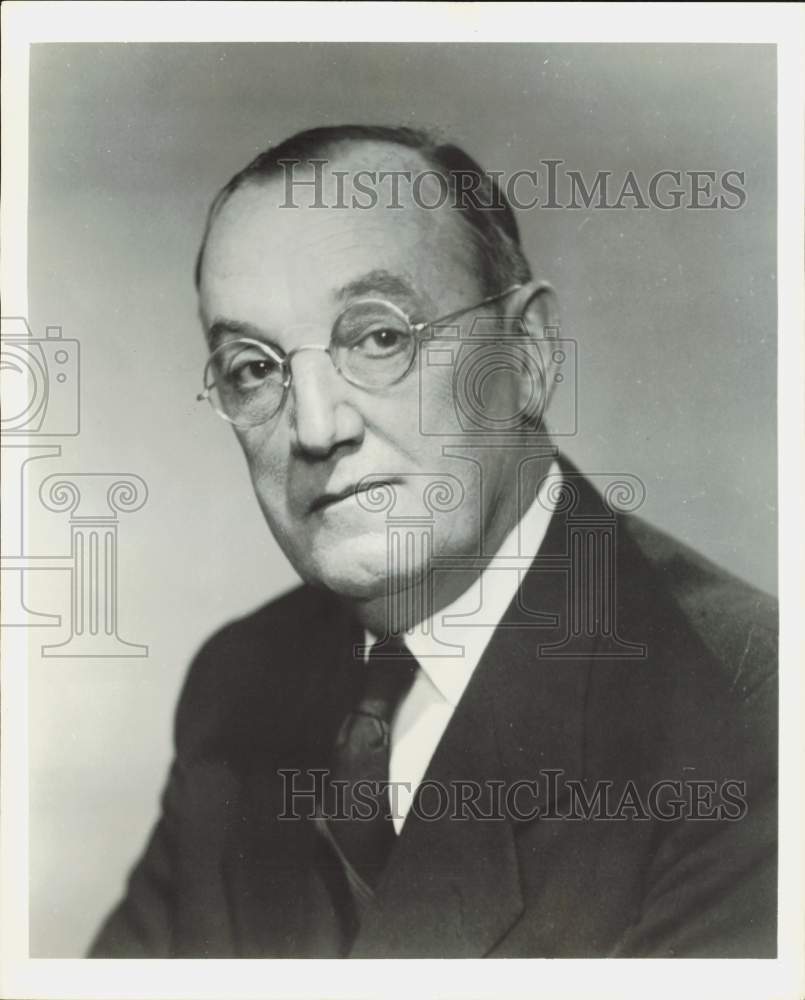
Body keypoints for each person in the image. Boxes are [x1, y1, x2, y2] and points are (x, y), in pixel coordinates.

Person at [89, 125, 777, 959]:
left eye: (379, 336)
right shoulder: (239, 686)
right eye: (254, 366)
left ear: (525, 354)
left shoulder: (752, 714)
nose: (315, 426)